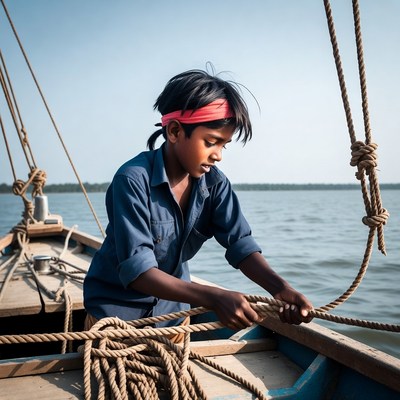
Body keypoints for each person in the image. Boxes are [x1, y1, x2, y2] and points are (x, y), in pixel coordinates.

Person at [83, 69, 313, 332]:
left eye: (223, 145)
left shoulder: (215, 184)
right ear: (174, 131)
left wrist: (281, 288)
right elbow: (139, 271)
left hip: (174, 320)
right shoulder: (132, 180)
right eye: (211, 142)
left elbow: (241, 244)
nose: (218, 156)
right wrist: (214, 297)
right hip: (116, 319)